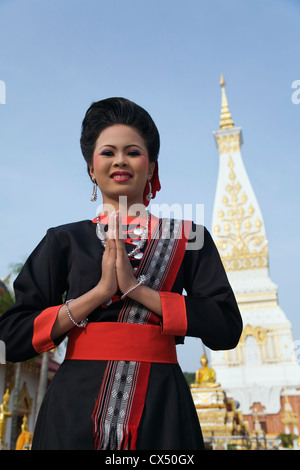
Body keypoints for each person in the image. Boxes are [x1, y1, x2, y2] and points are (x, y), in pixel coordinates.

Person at [0, 97, 242, 450]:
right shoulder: (63, 240)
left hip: (162, 408)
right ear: (91, 168)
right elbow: (11, 336)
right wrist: (96, 295)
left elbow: (226, 328)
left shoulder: (190, 239)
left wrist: (138, 290)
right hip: (72, 410)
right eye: (108, 152)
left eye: (132, 152)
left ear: (152, 166)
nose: (119, 161)